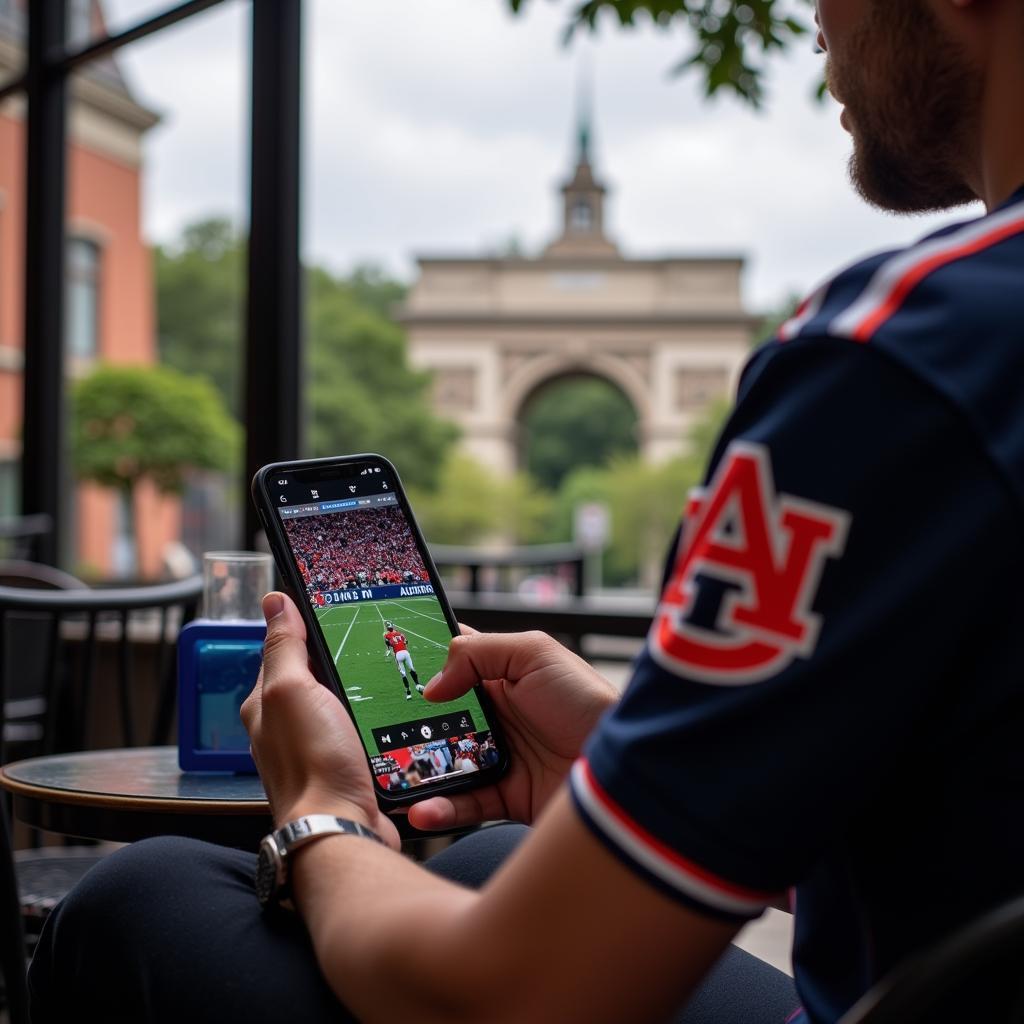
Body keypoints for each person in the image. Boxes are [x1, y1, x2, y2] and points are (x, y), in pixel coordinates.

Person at [27, 1, 1024, 1021]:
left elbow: (510, 998)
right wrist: (649, 769)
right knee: (502, 850)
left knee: (137, 897)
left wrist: (324, 814)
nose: (814, 20)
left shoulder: (898, 355)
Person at [383, 620, 424, 699]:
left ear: (387, 628)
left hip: (398, 654)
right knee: (412, 669)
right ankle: (417, 685)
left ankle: (408, 693)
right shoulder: (400, 633)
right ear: (393, 626)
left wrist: (388, 646)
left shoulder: (387, 635)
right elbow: (406, 642)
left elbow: (388, 645)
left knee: (403, 674)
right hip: (405, 653)